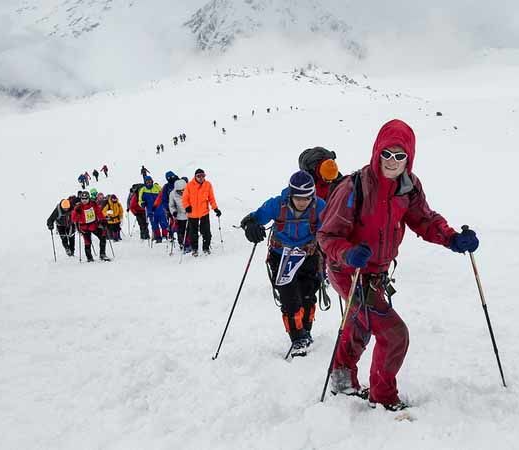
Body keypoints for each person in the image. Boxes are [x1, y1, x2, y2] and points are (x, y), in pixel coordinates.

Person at [318, 119, 479, 411]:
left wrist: (453, 238)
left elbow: (425, 220)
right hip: (348, 272)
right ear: (376, 152)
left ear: (409, 157)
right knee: (394, 334)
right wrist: (349, 252)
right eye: (386, 154)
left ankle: (341, 378)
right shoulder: (353, 187)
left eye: (399, 155)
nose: (392, 161)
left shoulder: (409, 187)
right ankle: (382, 396)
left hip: (376, 273)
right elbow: (326, 236)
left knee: (361, 323)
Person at [240, 171, 325, 356]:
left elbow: (333, 225)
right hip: (281, 258)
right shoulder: (277, 204)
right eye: (298, 197)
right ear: (290, 193)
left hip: (308, 257)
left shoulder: (320, 207)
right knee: (290, 299)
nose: (303, 201)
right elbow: (252, 218)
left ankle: (306, 330)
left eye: (307, 197)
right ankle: (298, 338)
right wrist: (251, 226)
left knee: (308, 296)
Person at [182, 168, 220, 256]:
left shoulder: (208, 185)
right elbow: (184, 198)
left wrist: (215, 208)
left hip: (204, 213)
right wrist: (187, 206)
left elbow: (211, 198)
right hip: (192, 213)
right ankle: (194, 249)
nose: (201, 178)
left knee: (206, 232)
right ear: (195, 177)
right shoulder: (189, 185)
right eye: (199, 176)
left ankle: (206, 247)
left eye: (203, 176)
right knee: (193, 233)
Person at [71, 191, 110, 262]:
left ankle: (102, 254)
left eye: (86, 198)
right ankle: (89, 258)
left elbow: (99, 212)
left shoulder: (93, 204)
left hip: (94, 225)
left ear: (88, 198)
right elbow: (73, 219)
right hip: (84, 228)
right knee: (87, 242)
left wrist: (103, 220)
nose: (84, 200)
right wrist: (76, 212)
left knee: (103, 237)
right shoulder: (78, 207)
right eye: (82, 199)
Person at [139, 176, 168, 243]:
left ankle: (165, 236)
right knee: (154, 225)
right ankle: (158, 237)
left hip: (160, 209)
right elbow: (140, 200)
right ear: (145, 182)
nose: (149, 183)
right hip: (150, 211)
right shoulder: (143, 190)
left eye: (150, 181)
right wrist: (142, 204)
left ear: (152, 181)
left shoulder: (157, 187)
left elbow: (162, 195)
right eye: (147, 182)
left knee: (164, 223)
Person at [168, 178, 190, 251]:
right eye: (179, 191)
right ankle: (182, 245)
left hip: (190, 215)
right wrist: (173, 212)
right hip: (179, 216)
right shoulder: (172, 194)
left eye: (183, 190)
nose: (181, 192)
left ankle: (190, 244)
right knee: (181, 232)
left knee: (190, 231)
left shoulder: (190, 192)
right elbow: (171, 205)